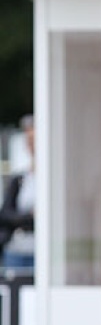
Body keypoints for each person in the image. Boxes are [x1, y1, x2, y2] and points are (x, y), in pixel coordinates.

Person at [0, 115, 36, 269]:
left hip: (41, 251)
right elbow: (6, 213)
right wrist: (28, 217)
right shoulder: (21, 178)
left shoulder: (55, 180)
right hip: (17, 249)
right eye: (29, 142)